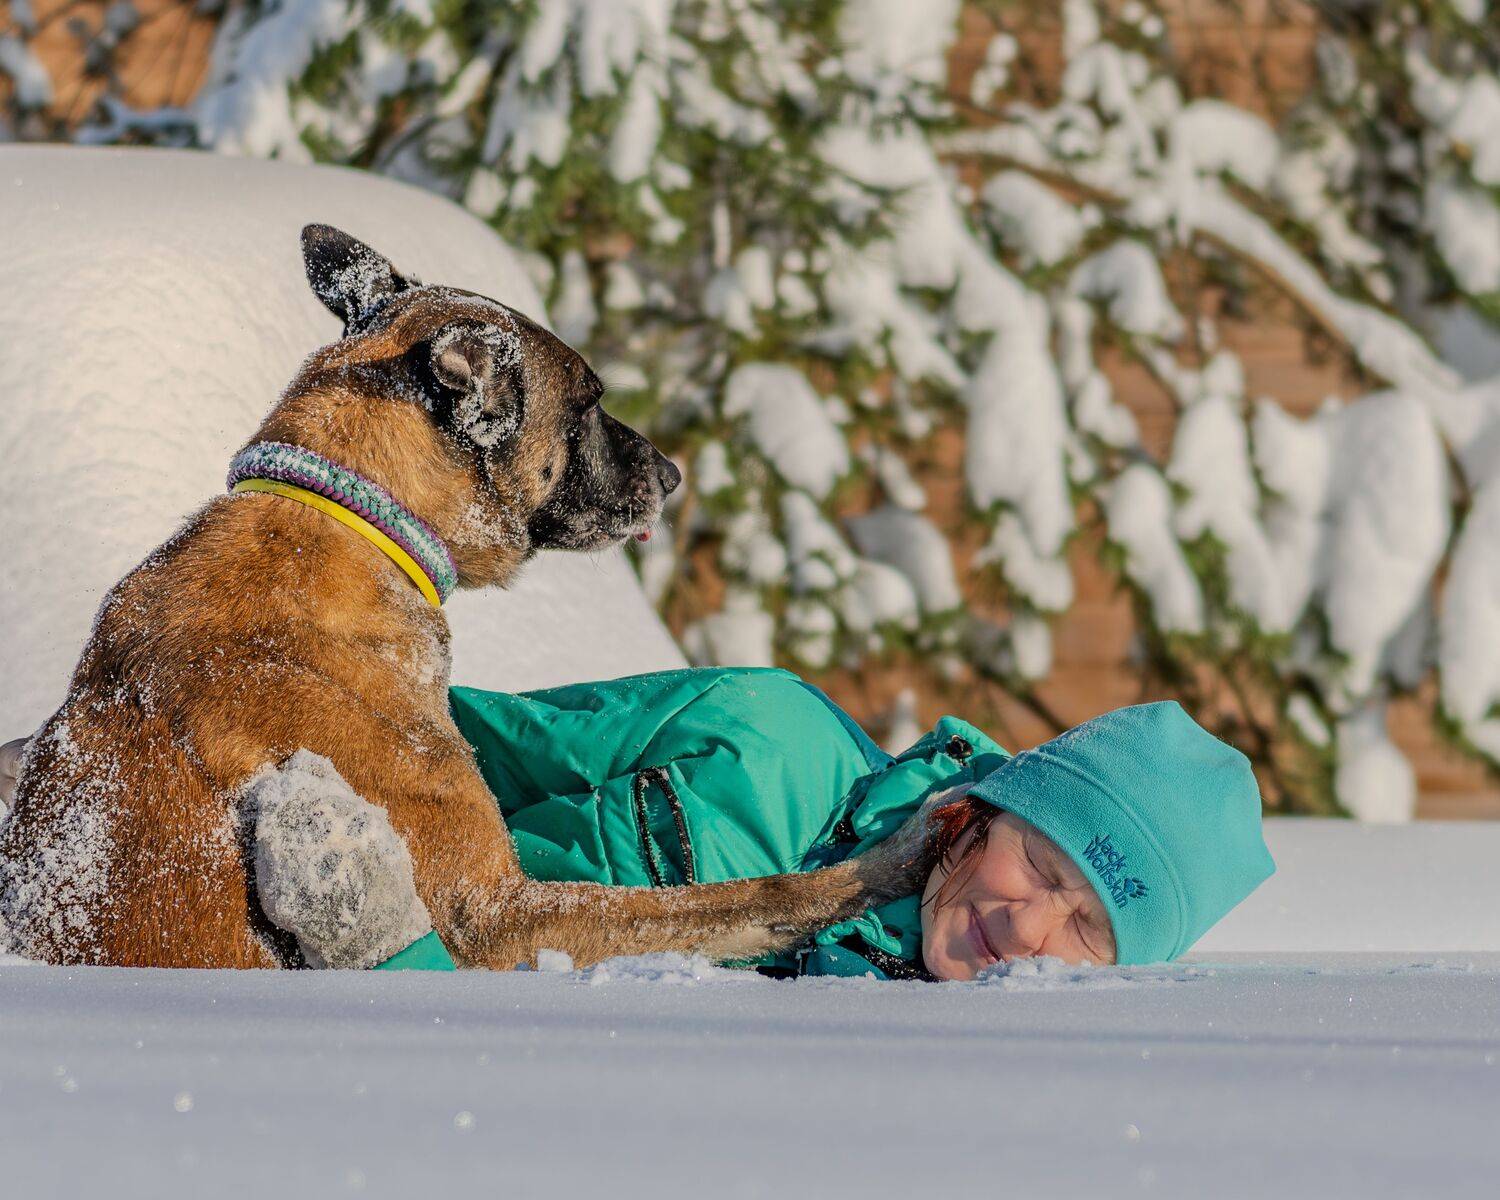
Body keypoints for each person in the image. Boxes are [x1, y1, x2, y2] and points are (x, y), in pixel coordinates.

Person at [1, 667, 1277, 978]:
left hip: (338, 997)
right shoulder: (761, 733)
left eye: (1092, 930)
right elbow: (467, 736)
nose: (1025, 924)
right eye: (1040, 863)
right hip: (230, 869)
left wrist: (394, 958)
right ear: (967, 816)